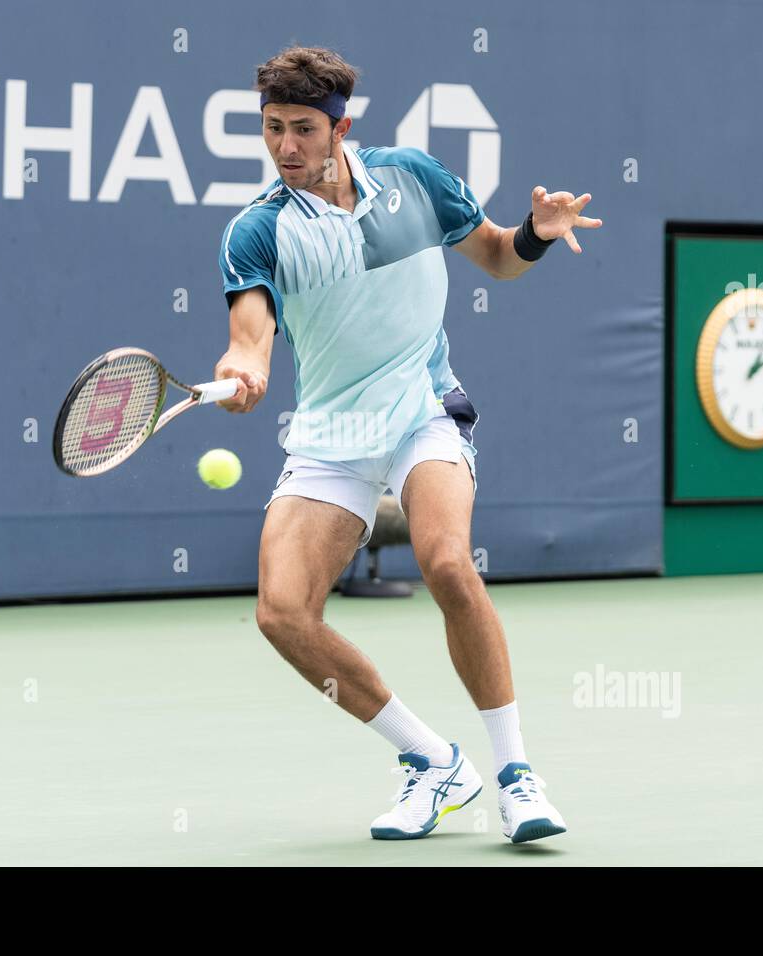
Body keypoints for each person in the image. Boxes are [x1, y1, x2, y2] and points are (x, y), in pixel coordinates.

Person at [214, 45, 602, 843]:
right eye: (272, 129)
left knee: (447, 561)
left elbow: (497, 256)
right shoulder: (258, 231)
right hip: (330, 433)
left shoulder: (413, 179)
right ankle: (431, 762)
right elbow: (250, 339)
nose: (286, 146)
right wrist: (241, 369)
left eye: (302, 130)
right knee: (282, 612)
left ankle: (517, 776)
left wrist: (532, 231)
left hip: (422, 408)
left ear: (340, 128)